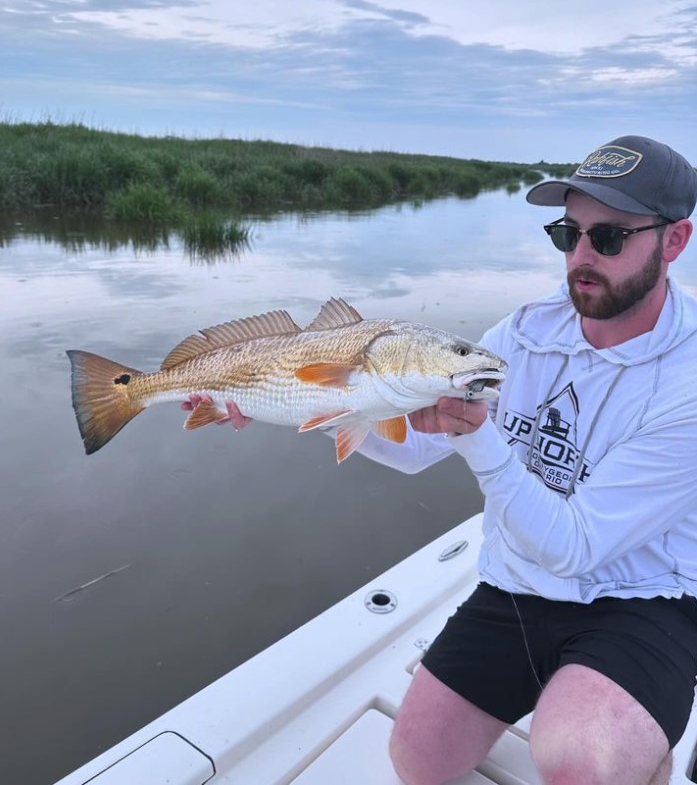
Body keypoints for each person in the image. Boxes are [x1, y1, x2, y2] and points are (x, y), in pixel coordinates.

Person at [185, 135, 697, 785]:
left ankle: (644, 754)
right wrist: (319, 402)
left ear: (673, 240)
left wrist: (479, 438)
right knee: (419, 757)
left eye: (610, 237)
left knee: (579, 761)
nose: (581, 256)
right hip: (517, 582)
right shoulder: (526, 331)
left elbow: (577, 546)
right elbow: (417, 449)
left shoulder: (687, 381)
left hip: (640, 597)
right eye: (568, 233)